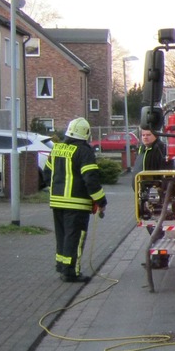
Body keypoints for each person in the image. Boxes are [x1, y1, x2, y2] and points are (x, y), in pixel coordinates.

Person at [43, 117, 107, 283]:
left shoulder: (56, 149)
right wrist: (101, 200)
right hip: (77, 204)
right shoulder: (84, 152)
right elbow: (90, 179)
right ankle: (72, 272)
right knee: (75, 238)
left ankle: (62, 267)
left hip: (57, 202)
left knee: (62, 236)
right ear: (85, 134)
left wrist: (55, 191)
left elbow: (46, 174)